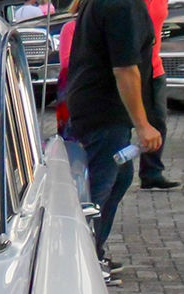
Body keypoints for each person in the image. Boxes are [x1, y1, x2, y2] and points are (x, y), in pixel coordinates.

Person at [65, 0, 164, 277]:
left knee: (118, 177)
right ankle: (82, 263)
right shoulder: (122, 5)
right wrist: (143, 125)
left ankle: (91, 252)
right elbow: (125, 69)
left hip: (92, 104)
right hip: (104, 109)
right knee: (99, 188)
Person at [140, 0, 180, 187]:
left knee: (158, 121)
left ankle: (151, 172)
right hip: (133, 67)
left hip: (155, 67)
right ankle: (116, 169)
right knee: (122, 123)